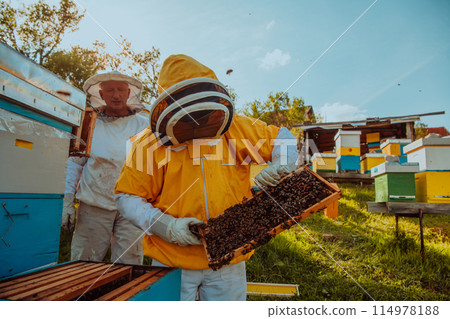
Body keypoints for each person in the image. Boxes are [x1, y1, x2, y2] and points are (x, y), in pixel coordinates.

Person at [114, 55, 298, 300]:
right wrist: (166, 227)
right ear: (170, 107)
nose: (196, 123)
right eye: (188, 117)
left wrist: (283, 163)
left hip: (229, 256)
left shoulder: (238, 128)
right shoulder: (148, 143)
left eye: (203, 115)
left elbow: (283, 138)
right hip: (171, 259)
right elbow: (127, 196)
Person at [62, 71, 149, 265]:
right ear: (101, 94)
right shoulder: (89, 123)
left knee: (129, 265)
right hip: (94, 206)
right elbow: (74, 163)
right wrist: (67, 198)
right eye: (110, 90)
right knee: (84, 264)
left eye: (120, 90)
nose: (116, 95)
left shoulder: (144, 125)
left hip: (132, 209)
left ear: (129, 93)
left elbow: (154, 166)